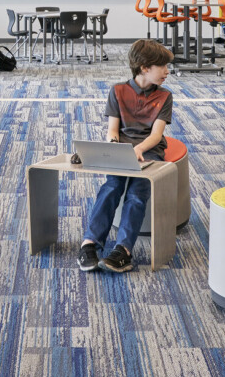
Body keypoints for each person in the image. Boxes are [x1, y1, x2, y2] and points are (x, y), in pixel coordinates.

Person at [80, 39, 174, 274]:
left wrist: (139, 149)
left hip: (150, 151)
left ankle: (123, 250)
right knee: (111, 187)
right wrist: (114, 147)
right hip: (122, 151)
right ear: (145, 68)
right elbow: (113, 130)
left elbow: (156, 135)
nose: (167, 71)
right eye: (162, 66)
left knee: (137, 193)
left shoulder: (165, 96)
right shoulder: (118, 91)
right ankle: (90, 243)